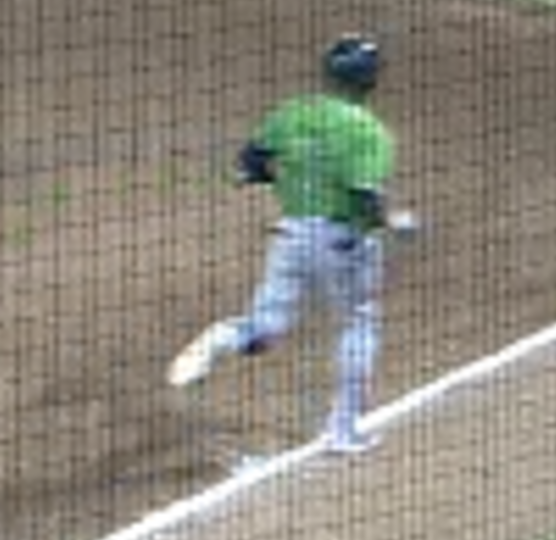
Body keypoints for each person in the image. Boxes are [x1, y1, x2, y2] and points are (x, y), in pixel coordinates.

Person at [168, 33, 418, 455]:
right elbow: (364, 196)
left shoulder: (294, 112)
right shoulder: (371, 132)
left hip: (291, 235)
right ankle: (342, 432)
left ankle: (222, 339)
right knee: (359, 322)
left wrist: (283, 178)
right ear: (370, 81)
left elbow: (248, 165)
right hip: (344, 244)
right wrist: (394, 222)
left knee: (267, 327)